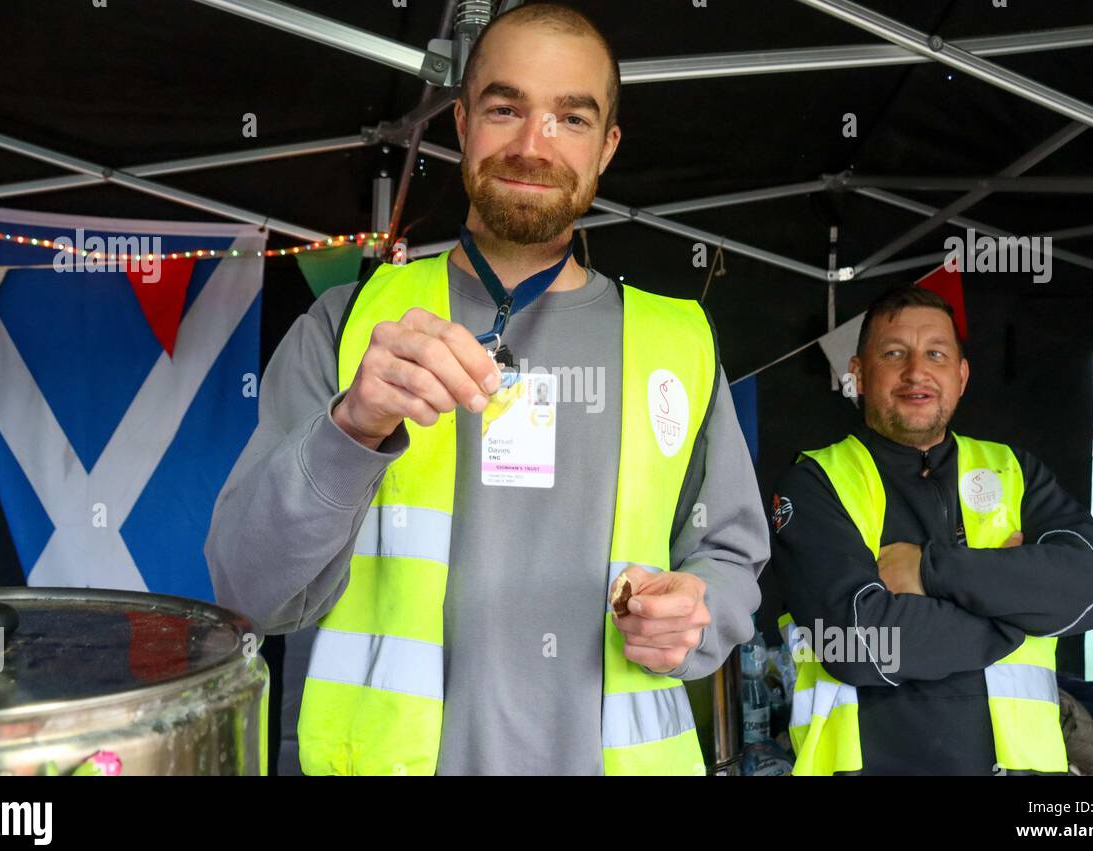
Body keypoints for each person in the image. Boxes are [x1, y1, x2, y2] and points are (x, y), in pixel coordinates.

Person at [205, 2, 767, 776]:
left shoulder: (681, 343)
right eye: (507, 108)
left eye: (571, 118)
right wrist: (353, 425)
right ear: (463, 122)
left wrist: (696, 615)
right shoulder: (347, 328)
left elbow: (729, 560)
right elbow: (248, 593)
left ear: (606, 148)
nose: (534, 144)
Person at [770, 283, 1093, 775]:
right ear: (859, 374)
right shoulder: (815, 482)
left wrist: (930, 572)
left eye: (936, 353)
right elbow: (860, 645)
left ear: (961, 375)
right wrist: (1016, 608)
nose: (917, 372)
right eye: (894, 353)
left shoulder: (1014, 470)